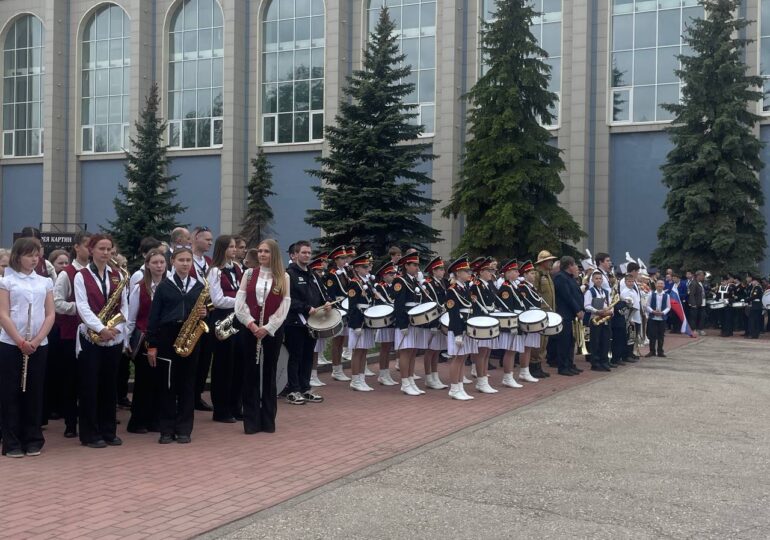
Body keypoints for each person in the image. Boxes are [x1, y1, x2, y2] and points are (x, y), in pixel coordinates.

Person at [145, 246, 207, 444]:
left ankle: (184, 429)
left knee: (188, 384)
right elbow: (153, 317)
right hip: (167, 337)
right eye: (181, 260)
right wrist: (152, 344)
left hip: (190, 337)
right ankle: (166, 429)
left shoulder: (198, 286)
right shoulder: (164, 286)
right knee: (168, 385)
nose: (185, 264)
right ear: (173, 262)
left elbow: (205, 310)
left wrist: (206, 313)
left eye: (188, 260)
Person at [0, 237, 55, 457]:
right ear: (18, 256)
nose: (34, 259)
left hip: (38, 343)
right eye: (29, 255)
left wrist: (37, 339)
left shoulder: (44, 282)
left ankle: (33, 438)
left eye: (36, 255)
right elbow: (3, 314)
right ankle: (11, 441)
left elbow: (50, 314)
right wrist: (20, 341)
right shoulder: (7, 281)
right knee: (10, 392)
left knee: (34, 391)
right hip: (11, 343)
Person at [74, 234, 128, 449]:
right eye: (101, 248)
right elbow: (82, 306)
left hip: (113, 337)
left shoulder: (119, 275)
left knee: (109, 386)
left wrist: (117, 328)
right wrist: (100, 328)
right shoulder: (81, 276)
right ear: (91, 250)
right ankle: (89, 433)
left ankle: (108, 431)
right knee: (89, 386)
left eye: (109, 249)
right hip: (91, 336)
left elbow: (125, 305)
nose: (106, 253)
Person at [234, 239, 291, 434]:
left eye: (266, 251)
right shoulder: (249, 274)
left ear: (273, 254)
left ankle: (268, 419)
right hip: (250, 328)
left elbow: (285, 304)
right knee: (250, 372)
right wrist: (250, 323)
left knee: (269, 372)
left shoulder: (283, 276)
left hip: (271, 330)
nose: (262, 255)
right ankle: (251, 421)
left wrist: (267, 327)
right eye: (260, 251)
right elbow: (239, 302)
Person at [52, 230, 92, 439]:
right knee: (70, 381)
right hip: (70, 333)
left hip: (92, 334)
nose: (91, 250)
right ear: (77, 247)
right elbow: (57, 303)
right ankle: (70, 422)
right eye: (87, 245)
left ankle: (88, 419)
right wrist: (81, 308)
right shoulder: (67, 273)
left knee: (89, 379)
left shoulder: (96, 272)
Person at [124, 249, 167, 434]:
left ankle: (156, 420)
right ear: (148, 265)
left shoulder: (169, 285)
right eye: (155, 262)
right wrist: (126, 341)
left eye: (162, 262)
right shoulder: (139, 287)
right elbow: (131, 318)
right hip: (144, 338)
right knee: (144, 382)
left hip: (164, 338)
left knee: (160, 381)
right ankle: (138, 421)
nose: (159, 266)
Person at [208, 235, 246, 421]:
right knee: (224, 365)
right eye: (230, 247)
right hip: (222, 320)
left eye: (235, 247)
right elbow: (217, 300)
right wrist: (240, 301)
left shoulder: (238, 268)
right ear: (222, 249)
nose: (234, 250)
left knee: (238, 364)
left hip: (238, 319)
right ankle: (221, 409)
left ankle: (235, 405)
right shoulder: (215, 271)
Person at [284, 241, 327, 403]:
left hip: (312, 323)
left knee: (308, 355)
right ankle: (293, 389)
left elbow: (323, 294)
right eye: (303, 252)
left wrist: (327, 302)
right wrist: (306, 307)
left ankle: (305, 387)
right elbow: (288, 299)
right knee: (295, 356)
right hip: (295, 323)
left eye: (309, 253)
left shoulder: (313, 275)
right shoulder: (288, 274)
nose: (307, 255)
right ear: (294, 255)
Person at [392, 252, 426, 396]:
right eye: (414, 264)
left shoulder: (414, 281)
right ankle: (405, 382)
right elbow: (399, 305)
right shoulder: (400, 281)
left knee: (413, 352)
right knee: (405, 353)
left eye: (418, 264)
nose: (417, 267)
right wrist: (402, 325)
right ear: (406, 265)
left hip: (415, 321)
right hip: (406, 321)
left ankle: (411, 380)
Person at [445, 256, 477, 400]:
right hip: (458, 327)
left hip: (466, 326)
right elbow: (454, 313)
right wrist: (458, 333)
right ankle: (454, 388)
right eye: (465, 270)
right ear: (458, 273)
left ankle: (460, 387)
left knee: (463, 358)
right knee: (457, 358)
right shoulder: (452, 290)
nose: (469, 273)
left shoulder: (465, 288)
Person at [190, 226, 214, 412]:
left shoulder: (209, 262)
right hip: (192, 313)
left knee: (205, 357)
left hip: (208, 313)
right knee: (192, 357)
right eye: (207, 239)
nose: (210, 243)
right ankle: (187, 395)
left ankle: (197, 395)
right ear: (196, 238)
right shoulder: (186, 259)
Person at [346, 253, 377, 391]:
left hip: (367, 320)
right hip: (358, 321)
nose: (367, 269)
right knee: (357, 352)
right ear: (357, 268)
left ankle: (361, 378)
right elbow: (352, 307)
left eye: (367, 266)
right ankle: (355, 380)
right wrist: (356, 325)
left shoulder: (366, 281)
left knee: (364, 351)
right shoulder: (354, 283)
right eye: (364, 267)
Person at [468, 258, 498, 393]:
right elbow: (477, 305)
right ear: (481, 272)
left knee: (487, 351)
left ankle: (484, 377)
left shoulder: (487, 284)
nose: (491, 273)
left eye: (491, 270)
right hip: (481, 320)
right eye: (488, 270)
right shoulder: (476, 285)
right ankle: (481, 381)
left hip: (488, 318)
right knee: (482, 352)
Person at [495, 259, 526, 388]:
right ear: (507, 273)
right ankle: (507, 377)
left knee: (513, 350)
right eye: (514, 270)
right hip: (510, 322)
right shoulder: (505, 288)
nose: (517, 272)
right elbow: (507, 308)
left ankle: (509, 376)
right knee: (510, 350)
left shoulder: (513, 286)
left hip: (516, 320)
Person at [552, 256, 585, 376]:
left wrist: (581, 309)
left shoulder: (570, 278)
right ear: (569, 266)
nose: (576, 267)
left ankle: (570, 364)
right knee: (564, 341)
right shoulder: (560, 277)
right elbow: (567, 296)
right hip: (564, 314)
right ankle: (563, 366)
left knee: (571, 341)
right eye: (575, 264)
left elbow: (576, 294)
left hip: (572, 314)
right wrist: (577, 310)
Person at [324, 246, 352, 382]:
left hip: (346, 308)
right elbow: (330, 293)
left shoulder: (345, 272)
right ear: (335, 259)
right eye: (341, 258)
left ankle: (339, 368)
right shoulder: (332, 274)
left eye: (345, 258)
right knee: (337, 341)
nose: (344, 260)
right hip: (339, 309)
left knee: (342, 341)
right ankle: (336, 369)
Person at [421, 257, 449, 390]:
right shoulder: (428, 284)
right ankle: (428, 377)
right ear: (434, 271)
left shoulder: (444, 282)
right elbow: (427, 305)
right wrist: (432, 324)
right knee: (430, 350)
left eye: (443, 269)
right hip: (432, 321)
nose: (443, 271)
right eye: (440, 269)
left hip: (441, 319)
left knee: (437, 350)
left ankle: (435, 375)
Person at [516, 260, 544, 382]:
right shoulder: (523, 287)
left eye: (534, 273)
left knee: (530, 347)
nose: (534, 275)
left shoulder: (531, 287)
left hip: (534, 318)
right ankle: (524, 371)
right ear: (525, 274)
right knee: (526, 347)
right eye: (531, 273)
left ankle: (526, 370)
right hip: (528, 319)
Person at [372, 260, 398, 386]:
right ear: (384, 275)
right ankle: (382, 374)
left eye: (394, 274)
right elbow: (380, 304)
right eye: (390, 274)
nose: (393, 276)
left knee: (389, 348)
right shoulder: (379, 287)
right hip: (384, 321)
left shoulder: (392, 286)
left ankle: (387, 373)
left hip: (392, 320)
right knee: (385, 348)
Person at [534, 250, 558, 378]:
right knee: (539, 341)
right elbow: (535, 293)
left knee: (545, 341)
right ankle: (534, 365)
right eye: (549, 260)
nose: (551, 262)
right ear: (543, 262)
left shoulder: (548, 275)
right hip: (541, 313)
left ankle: (539, 365)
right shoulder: (537, 275)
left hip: (549, 312)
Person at [645, 279, 670, 357]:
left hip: (662, 318)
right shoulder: (651, 294)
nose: (660, 285)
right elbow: (647, 305)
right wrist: (653, 311)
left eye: (661, 284)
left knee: (661, 335)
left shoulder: (667, 295)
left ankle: (660, 351)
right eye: (658, 284)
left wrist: (663, 313)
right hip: (653, 318)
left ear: (664, 285)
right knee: (652, 335)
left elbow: (668, 307)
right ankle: (652, 351)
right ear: (655, 285)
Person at [688, 270, 707, 336]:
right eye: (702, 276)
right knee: (694, 317)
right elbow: (691, 294)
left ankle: (700, 329)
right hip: (696, 303)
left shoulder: (701, 283)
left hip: (702, 303)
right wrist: (693, 304)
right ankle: (693, 330)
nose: (703, 277)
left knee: (702, 316)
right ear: (698, 276)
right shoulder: (693, 283)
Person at [746, 274, 764, 339]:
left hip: (756, 306)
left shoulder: (757, 288)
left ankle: (754, 334)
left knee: (753, 321)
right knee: (754, 320)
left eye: (753, 281)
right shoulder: (755, 287)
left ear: (756, 281)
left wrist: (747, 300)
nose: (752, 282)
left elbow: (754, 296)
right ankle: (754, 334)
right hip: (755, 306)